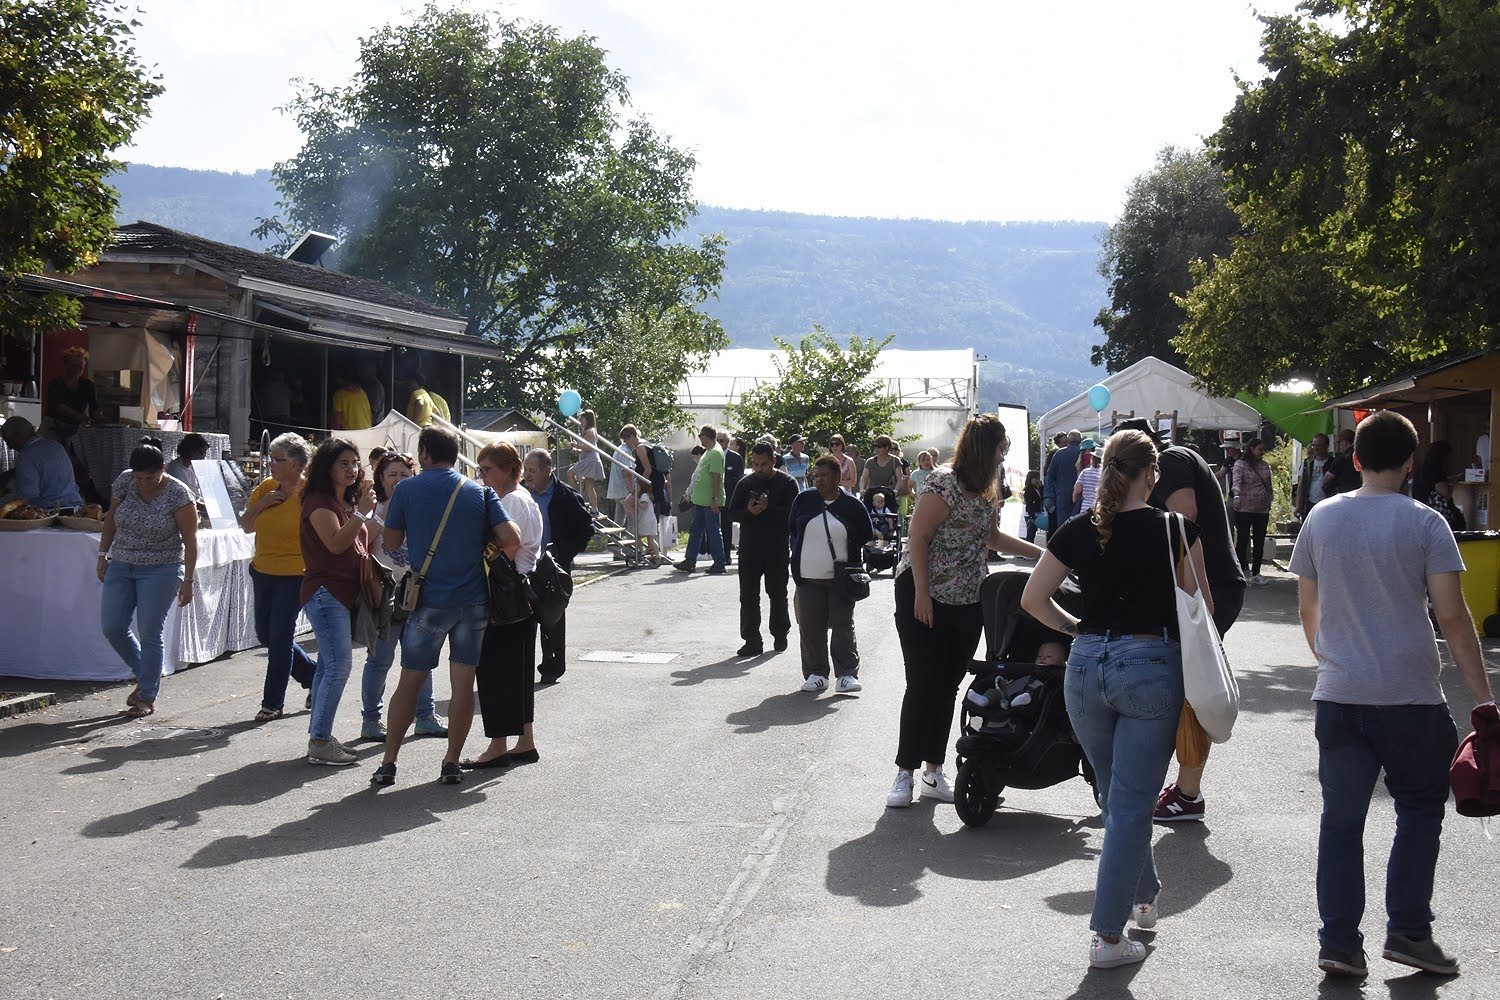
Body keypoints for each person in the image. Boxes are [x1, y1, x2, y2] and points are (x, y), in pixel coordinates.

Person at [1289, 409, 1495, 979]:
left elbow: (1308, 608)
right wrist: (1484, 699)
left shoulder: (1321, 518)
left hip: (1340, 694)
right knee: (1420, 812)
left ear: (1355, 459)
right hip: (1411, 698)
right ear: (1410, 462)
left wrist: (1331, 660)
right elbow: (1453, 618)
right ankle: (1408, 932)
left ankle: (1338, 943)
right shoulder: (1427, 522)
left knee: (1341, 822)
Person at [1021, 428, 1211, 969]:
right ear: (1152, 473)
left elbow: (1033, 599)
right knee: (1128, 805)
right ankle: (1107, 938)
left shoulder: (1080, 529)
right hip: (1151, 667)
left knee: (1115, 797)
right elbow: (1203, 610)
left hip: (1084, 669)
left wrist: (1077, 629)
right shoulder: (1176, 529)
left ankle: (1143, 895)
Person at [889, 415, 1043, 808]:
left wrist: (1042, 555)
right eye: (1001, 448)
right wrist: (922, 595)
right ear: (984, 447)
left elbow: (992, 537)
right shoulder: (943, 482)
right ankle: (904, 773)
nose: (1004, 455)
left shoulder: (989, 488)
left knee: (948, 686)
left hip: (968, 599)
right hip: (924, 594)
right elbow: (918, 537)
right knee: (922, 684)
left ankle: (933, 771)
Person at [1110, 417, 1246, 824]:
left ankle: (1187, 793)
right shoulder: (1180, 458)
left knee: (1193, 689)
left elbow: (1183, 520)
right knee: (1189, 685)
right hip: (1210, 585)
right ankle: (1185, 788)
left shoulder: (1169, 461)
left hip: (1205, 588)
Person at [372, 427, 519, 786]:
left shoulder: (406, 489)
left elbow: (392, 542)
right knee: (463, 684)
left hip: (429, 600)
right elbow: (511, 538)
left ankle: (389, 762)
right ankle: (451, 761)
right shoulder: (480, 491)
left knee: (410, 681)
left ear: (424, 453)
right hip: (473, 601)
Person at [97, 437, 198, 718]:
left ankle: (147, 696)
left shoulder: (179, 493)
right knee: (112, 626)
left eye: (150, 477)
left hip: (161, 567)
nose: (143, 483)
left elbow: (191, 541)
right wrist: (102, 554)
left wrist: (189, 580)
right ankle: (145, 675)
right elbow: (111, 518)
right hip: (122, 562)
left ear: (162, 469)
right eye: (139, 477)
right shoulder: (125, 481)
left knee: (150, 631)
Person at [464, 441, 545, 770]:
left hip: (505, 591)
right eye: (480, 469)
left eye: (488, 469)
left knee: (495, 672)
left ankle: (498, 746)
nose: (483, 476)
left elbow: (505, 549)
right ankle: (525, 741)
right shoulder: (523, 497)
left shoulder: (510, 500)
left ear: (509, 469)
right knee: (518, 672)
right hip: (520, 590)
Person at [298, 438, 377, 766]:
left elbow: (360, 543)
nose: (352, 469)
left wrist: (365, 513)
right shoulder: (319, 502)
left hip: (341, 592)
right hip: (326, 592)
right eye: (343, 463)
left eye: (355, 463)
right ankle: (320, 740)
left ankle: (319, 735)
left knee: (327, 667)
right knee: (338, 666)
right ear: (326, 467)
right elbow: (335, 544)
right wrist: (361, 513)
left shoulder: (342, 501)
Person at [358, 451, 446, 741]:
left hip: (418, 592)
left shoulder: (421, 506)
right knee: (380, 660)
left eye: (404, 475)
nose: (398, 480)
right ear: (381, 479)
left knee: (421, 658)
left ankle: (425, 716)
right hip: (384, 594)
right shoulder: (374, 508)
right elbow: (361, 541)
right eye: (392, 475)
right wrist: (385, 513)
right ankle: (371, 720)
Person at [240, 432, 318, 722]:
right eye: (271, 458)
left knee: (280, 638)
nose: (271, 463)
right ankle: (313, 676)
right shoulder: (266, 488)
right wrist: (263, 503)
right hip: (263, 570)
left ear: (296, 464)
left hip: (295, 573)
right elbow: (246, 526)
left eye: (277, 459)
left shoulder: (310, 493)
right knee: (266, 635)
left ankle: (272, 703)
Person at [789, 455, 874, 695]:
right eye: (815, 476)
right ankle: (816, 674)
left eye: (824, 475)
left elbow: (865, 533)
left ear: (837, 477)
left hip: (841, 580)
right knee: (810, 627)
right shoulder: (803, 500)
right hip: (807, 577)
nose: (819, 480)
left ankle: (846, 674)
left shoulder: (852, 505)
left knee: (842, 625)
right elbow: (793, 529)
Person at [523, 447, 594, 682]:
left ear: (547, 470)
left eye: (532, 470)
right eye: (525, 470)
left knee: (552, 617)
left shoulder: (566, 496)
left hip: (553, 567)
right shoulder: (521, 493)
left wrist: (564, 555)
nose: (527, 475)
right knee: (523, 618)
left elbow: (586, 529)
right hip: (525, 565)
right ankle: (522, 670)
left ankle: (552, 667)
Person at [728, 441, 799, 656]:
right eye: (755, 464)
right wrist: (749, 512)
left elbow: (794, 515)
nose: (759, 469)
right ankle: (752, 640)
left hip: (776, 548)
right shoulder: (745, 484)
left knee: (777, 593)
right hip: (749, 548)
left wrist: (770, 508)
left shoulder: (787, 483)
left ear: (773, 461)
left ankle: (780, 634)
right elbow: (732, 513)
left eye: (764, 464)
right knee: (748, 596)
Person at [675, 425, 727, 575]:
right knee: (696, 531)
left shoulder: (715, 452)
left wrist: (715, 499)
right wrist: (690, 492)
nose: (699, 438)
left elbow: (717, 478)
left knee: (713, 531)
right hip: (700, 500)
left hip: (709, 501)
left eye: (700, 436)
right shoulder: (708, 452)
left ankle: (719, 563)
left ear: (706, 436)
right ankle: (690, 561)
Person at [0, 416, 83, 509]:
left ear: (17, 436)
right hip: (75, 506)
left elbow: (26, 496)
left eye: (8, 441)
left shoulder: (26, 456)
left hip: (51, 511)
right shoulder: (56, 445)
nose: (10, 447)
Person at [1231, 437, 1274, 586]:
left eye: (1263, 450)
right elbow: (1236, 481)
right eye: (1259, 449)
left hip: (1262, 510)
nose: (1262, 452)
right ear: (1251, 449)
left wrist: (1270, 501)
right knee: (1243, 540)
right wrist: (1237, 496)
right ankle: (1241, 572)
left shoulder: (1265, 465)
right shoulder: (1240, 464)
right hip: (1244, 509)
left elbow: (1269, 485)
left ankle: (1256, 572)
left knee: (1259, 541)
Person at [45, 346, 97, 441]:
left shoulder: (88, 385)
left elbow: (94, 407)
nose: (77, 370)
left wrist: (99, 417)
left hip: (76, 429)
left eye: (80, 367)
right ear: (65, 365)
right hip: (53, 427)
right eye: (73, 366)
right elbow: (58, 406)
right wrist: (79, 416)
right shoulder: (55, 384)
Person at [1043, 429, 1082, 530]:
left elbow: (1050, 475)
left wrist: (1049, 495)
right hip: (1080, 494)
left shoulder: (1059, 454)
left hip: (1062, 494)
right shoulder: (1083, 453)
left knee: (1063, 526)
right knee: (1078, 524)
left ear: (1068, 440)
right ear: (1080, 441)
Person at [569, 409, 604, 509]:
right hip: (591, 459)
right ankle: (594, 509)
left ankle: (574, 499)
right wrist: (577, 450)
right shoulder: (590, 431)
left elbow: (589, 448)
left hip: (590, 460)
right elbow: (586, 449)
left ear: (588, 420)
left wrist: (576, 445)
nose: (580, 422)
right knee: (589, 486)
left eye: (582, 420)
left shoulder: (589, 431)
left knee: (570, 473)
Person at [720, 433, 745, 562]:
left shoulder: (735, 457)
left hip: (728, 498)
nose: (719, 443)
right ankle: (716, 555)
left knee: (726, 527)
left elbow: (739, 479)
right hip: (712, 497)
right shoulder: (709, 455)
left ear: (727, 441)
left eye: (721, 440)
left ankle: (726, 555)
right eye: (716, 440)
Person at [1295, 434, 1332, 519]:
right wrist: (1298, 505)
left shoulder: (1332, 463)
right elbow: (1301, 484)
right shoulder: (1307, 463)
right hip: (1309, 502)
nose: (1315, 448)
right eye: (1313, 445)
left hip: (1327, 502)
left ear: (1326, 446)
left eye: (1318, 445)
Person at [1412, 441, 1453, 512]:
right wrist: (1452, 484)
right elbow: (1444, 492)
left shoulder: (1421, 469)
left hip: (1419, 507)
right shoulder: (1437, 470)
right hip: (1433, 510)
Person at [165, 433, 210, 498]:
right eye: (201, 453)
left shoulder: (194, 466)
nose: (203, 457)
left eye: (205, 453)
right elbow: (185, 495)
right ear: (191, 450)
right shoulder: (175, 468)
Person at [1321, 428, 1360, 497]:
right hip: (1358, 493)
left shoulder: (1342, 459)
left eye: (1339, 442)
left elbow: (1325, 480)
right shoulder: (1360, 457)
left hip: (1343, 495)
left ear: (1345, 442)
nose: (1339, 446)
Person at [1070, 439, 1099, 518]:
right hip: (1097, 505)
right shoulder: (1091, 459)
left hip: (1084, 502)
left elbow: (1077, 489)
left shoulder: (1080, 460)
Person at [358, 359, 387, 423]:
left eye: (364, 369)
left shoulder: (375, 387)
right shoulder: (365, 384)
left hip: (374, 423)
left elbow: (373, 410)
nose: (361, 371)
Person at [1023, 469, 1044, 543]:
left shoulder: (1037, 489)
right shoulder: (1029, 490)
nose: (1038, 480)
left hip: (1037, 513)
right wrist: (1031, 516)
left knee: (1033, 532)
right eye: (1036, 478)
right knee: (1030, 534)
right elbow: (1029, 504)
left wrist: (1041, 487)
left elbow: (1042, 497)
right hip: (1031, 515)